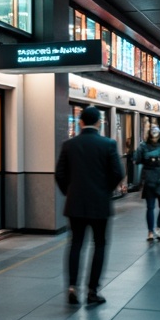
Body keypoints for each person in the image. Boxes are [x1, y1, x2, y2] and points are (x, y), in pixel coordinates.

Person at [55, 104, 125, 306]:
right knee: (99, 245)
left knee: (75, 244)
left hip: (75, 204)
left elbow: (59, 174)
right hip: (100, 205)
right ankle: (93, 291)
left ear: (81, 122)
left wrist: (70, 192)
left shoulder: (69, 145)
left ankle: (72, 287)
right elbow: (118, 173)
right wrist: (105, 192)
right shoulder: (108, 144)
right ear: (99, 123)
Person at [135, 125, 160, 241]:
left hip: (150, 179)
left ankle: (150, 231)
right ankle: (158, 228)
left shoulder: (143, 146)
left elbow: (137, 159)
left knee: (150, 207)